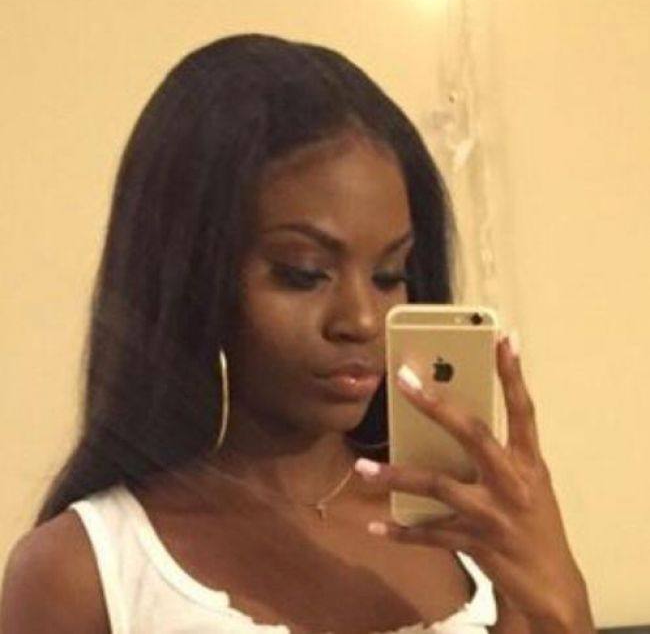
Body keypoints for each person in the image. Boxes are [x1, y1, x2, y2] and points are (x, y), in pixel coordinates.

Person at [0, 33, 595, 633]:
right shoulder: (83, 573)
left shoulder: (467, 532)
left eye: (390, 275)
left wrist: (558, 604)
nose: (362, 320)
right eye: (303, 273)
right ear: (190, 276)